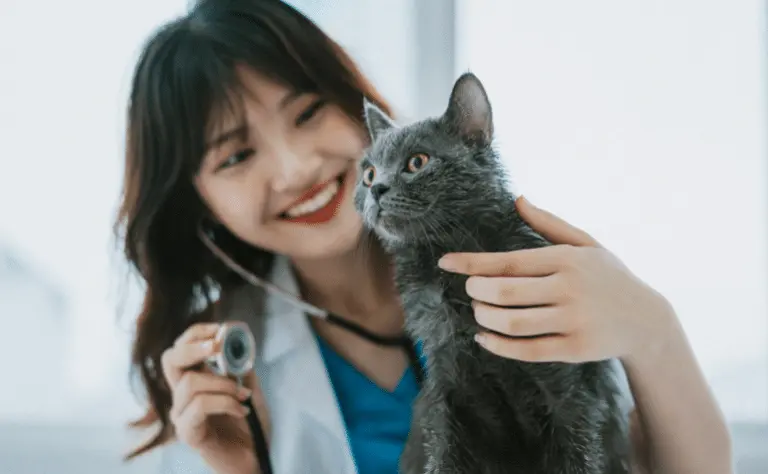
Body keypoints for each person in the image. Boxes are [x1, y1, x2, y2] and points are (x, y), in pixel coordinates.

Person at [115, 1, 733, 473]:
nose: (295, 168)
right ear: (197, 203)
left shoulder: (519, 255)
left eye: (307, 113)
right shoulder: (215, 375)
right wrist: (242, 468)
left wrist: (652, 332)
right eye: (236, 155)